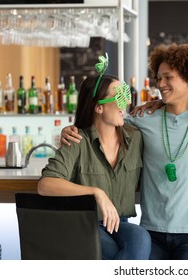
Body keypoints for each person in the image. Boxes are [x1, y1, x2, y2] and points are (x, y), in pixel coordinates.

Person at [61, 44, 188, 260]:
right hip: (152, 230)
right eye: (158, 78)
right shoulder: (142, 119)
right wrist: (69, 130)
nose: (160, 84)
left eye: (168, 77)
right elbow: (105, 119)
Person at [37, 54, 151, 260]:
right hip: (83, 223)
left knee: (141, 238)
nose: (125, 102)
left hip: (120, 224)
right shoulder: (77, 140)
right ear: (99, 107)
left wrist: (159, 103)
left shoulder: (135, 138)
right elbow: (45, 185)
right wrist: (96, 192)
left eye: (125, 94)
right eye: (119, 97)